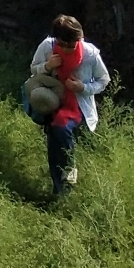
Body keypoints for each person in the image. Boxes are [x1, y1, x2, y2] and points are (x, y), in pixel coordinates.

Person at [25, 14, 110, 200]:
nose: (68, 49)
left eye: (72, 45)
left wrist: (83, 88)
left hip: (77, 105)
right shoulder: (47, 47)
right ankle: (59, 188)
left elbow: (104, 80)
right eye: (63, 44)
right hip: (53, 99)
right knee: (54, 140)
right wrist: (47, 66)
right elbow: (34, 68)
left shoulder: (89, 54)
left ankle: (68, 172)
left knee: (61, 129)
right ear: (57, 40)